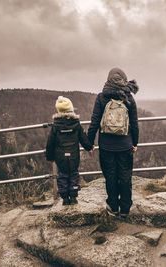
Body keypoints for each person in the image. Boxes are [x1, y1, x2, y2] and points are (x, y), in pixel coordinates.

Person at [87, 67, 139, 218]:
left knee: (110, 176)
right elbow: (134, 124)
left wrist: (90, 143)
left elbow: (94, 122)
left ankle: (113, 206)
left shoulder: (101, 97)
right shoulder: (129, 97)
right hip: (125, 145)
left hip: (106, 146)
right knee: (125, 176)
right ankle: (125, 209)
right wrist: (135, 143)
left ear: (109, 79)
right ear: (124, 79)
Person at [46, 96, 93, 205]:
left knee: (62, 175)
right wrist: (89, 147)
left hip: (60, 156)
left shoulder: (55, 125)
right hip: (74, 155)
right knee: (73, 174)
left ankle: (65, 198)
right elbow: (83, 138)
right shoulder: (76, 123)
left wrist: (50, 157)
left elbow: (50, 143)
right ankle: (73, 197)